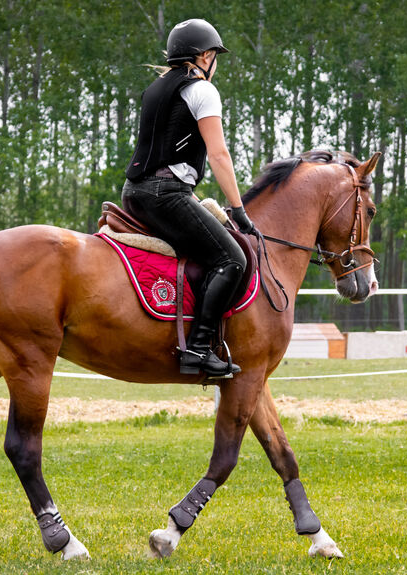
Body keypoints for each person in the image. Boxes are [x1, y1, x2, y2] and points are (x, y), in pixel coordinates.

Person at [122, 18, 258, 377]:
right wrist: (238, 209)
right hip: (166, 194)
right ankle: (197, 350)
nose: (216, 65)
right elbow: (219, 155)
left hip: (134, 192)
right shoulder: (201, 90)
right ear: (206, 56)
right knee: (231, 259)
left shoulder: (156, 87)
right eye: (216, 57)